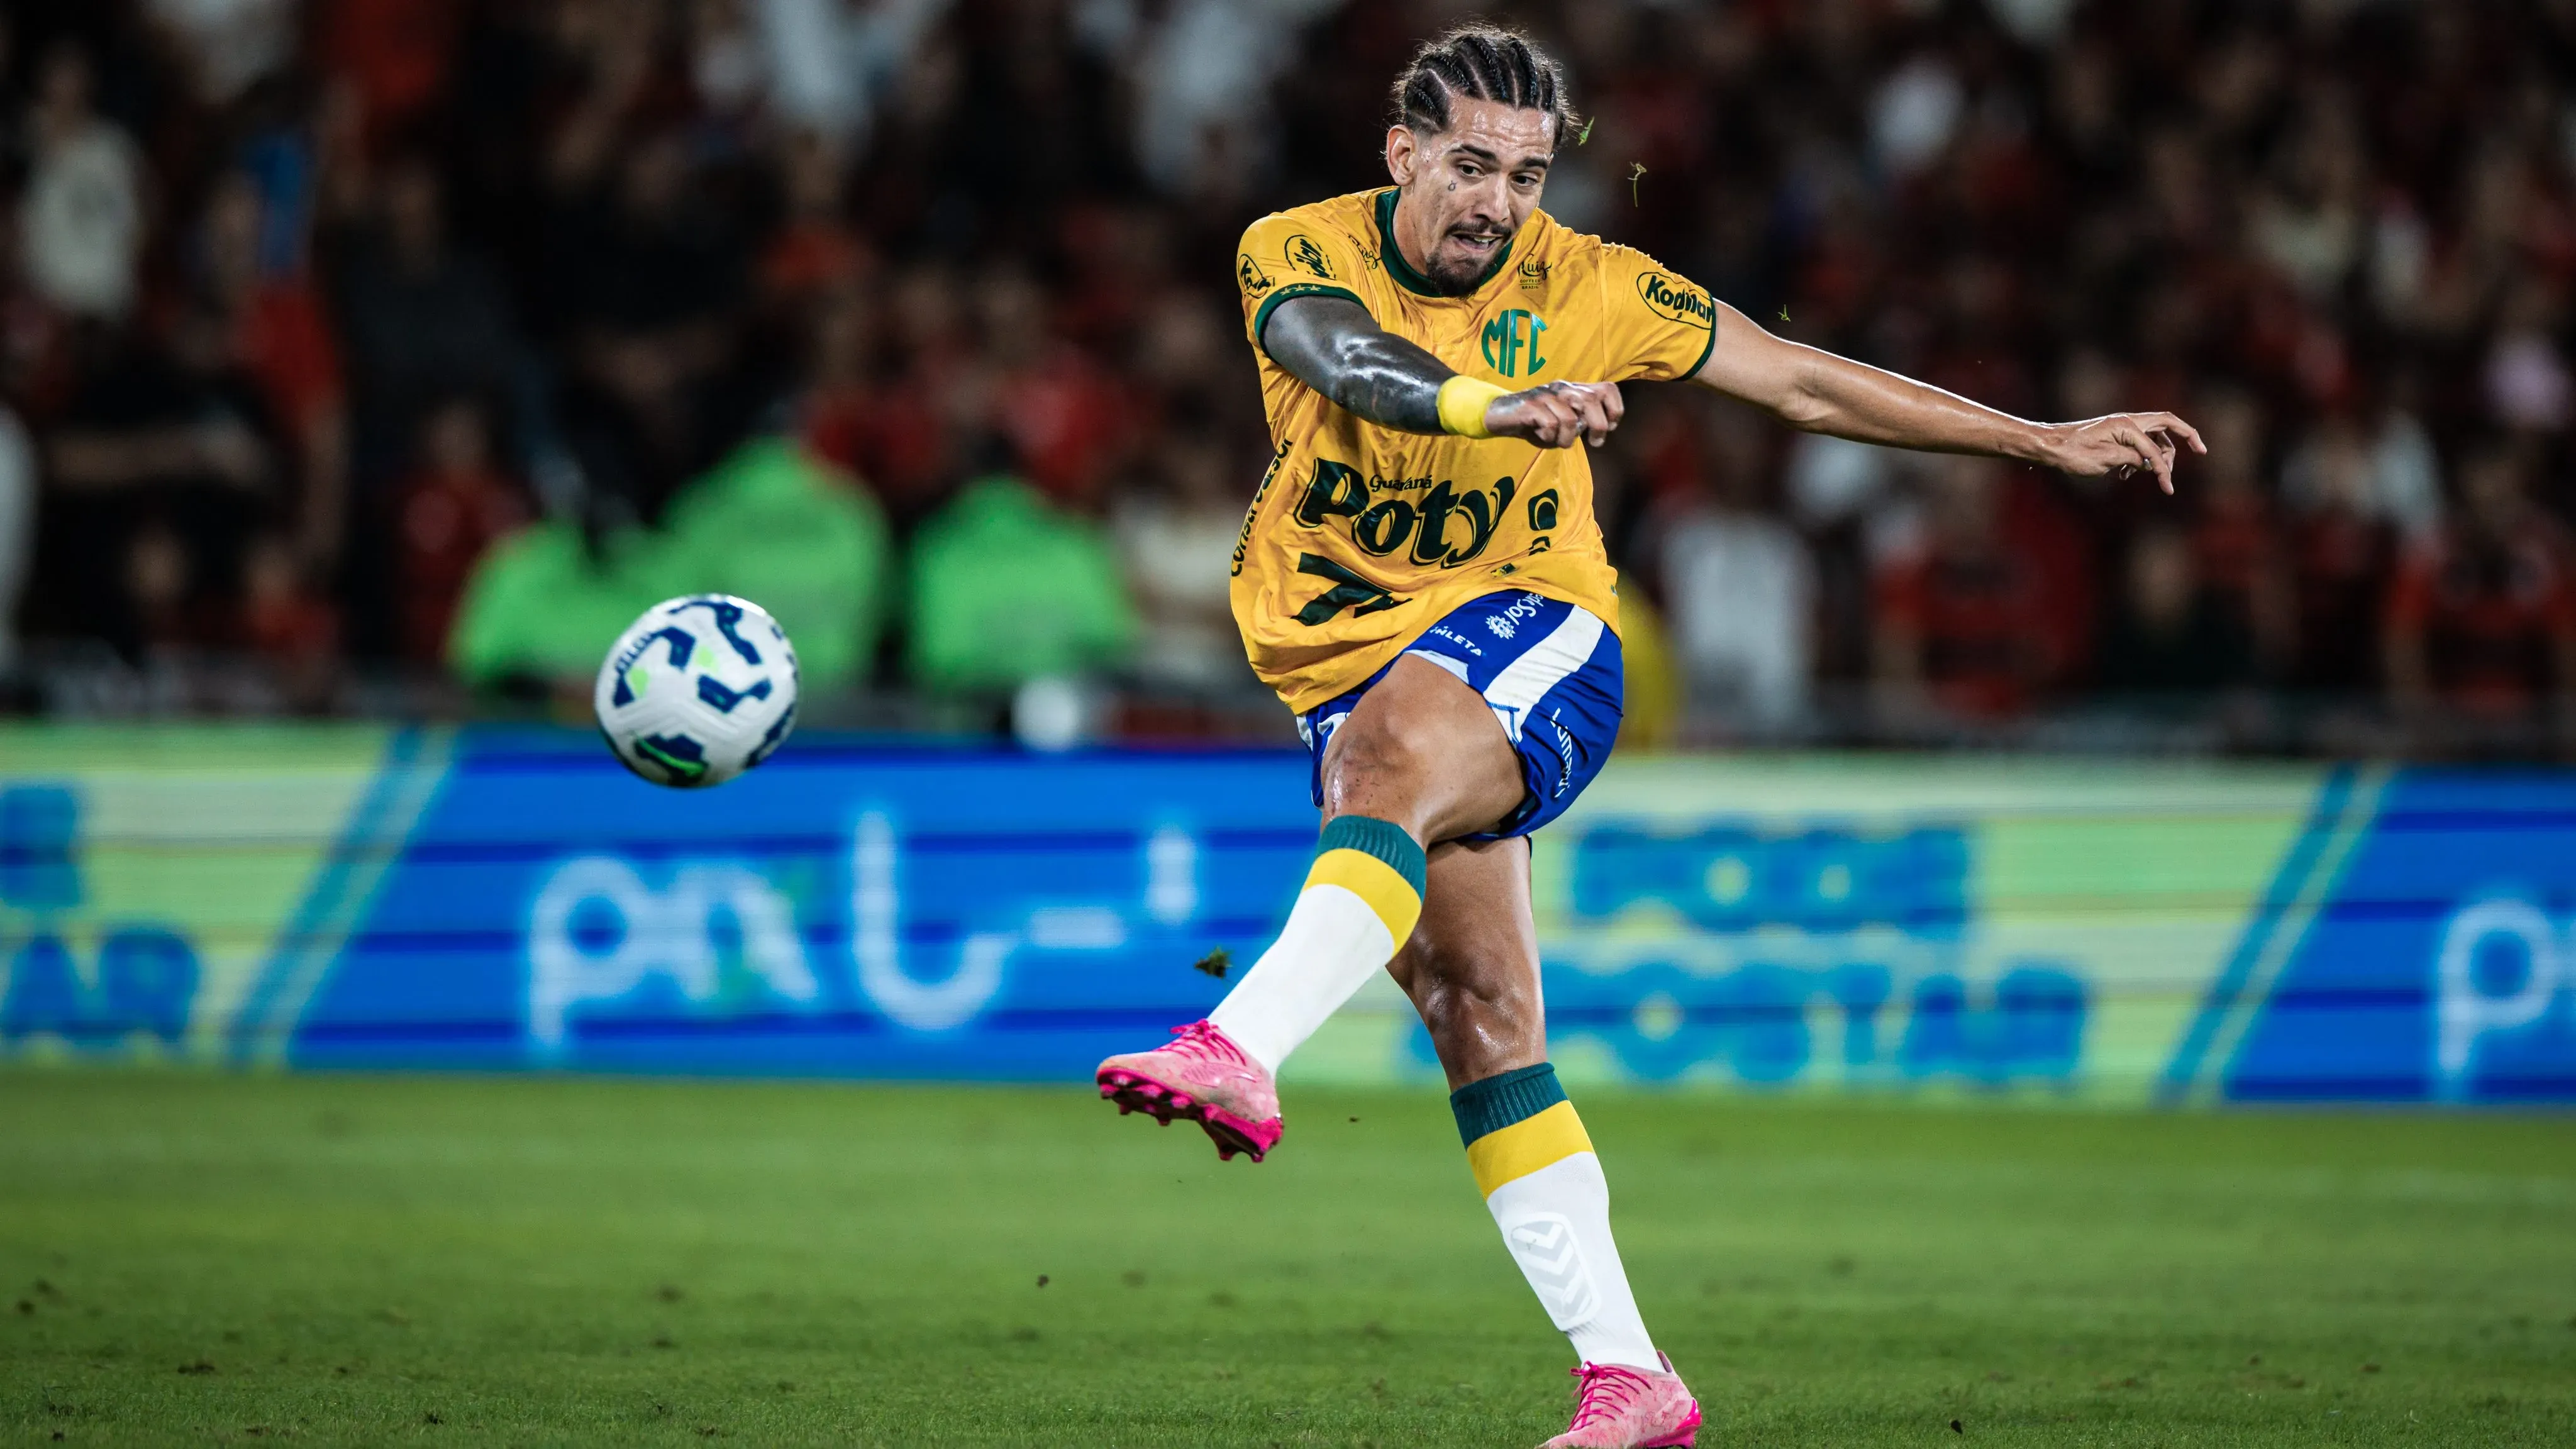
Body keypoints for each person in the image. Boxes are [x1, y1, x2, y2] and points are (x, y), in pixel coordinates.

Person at [1091, 25, 2199, 1448]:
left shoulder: (1594, 286)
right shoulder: (1292, 248)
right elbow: (1345, 361)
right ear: (1400, 156)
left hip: (1531, 634)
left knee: (1380, 766)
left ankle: (1235, 1043)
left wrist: (2038, 441)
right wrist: (1504, 403)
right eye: (1471, 165)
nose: (1498, 201)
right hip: (1349, 663)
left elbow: (1799, 380)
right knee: (1479, 1020)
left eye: (1529, 173)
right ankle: (1631, 1379)